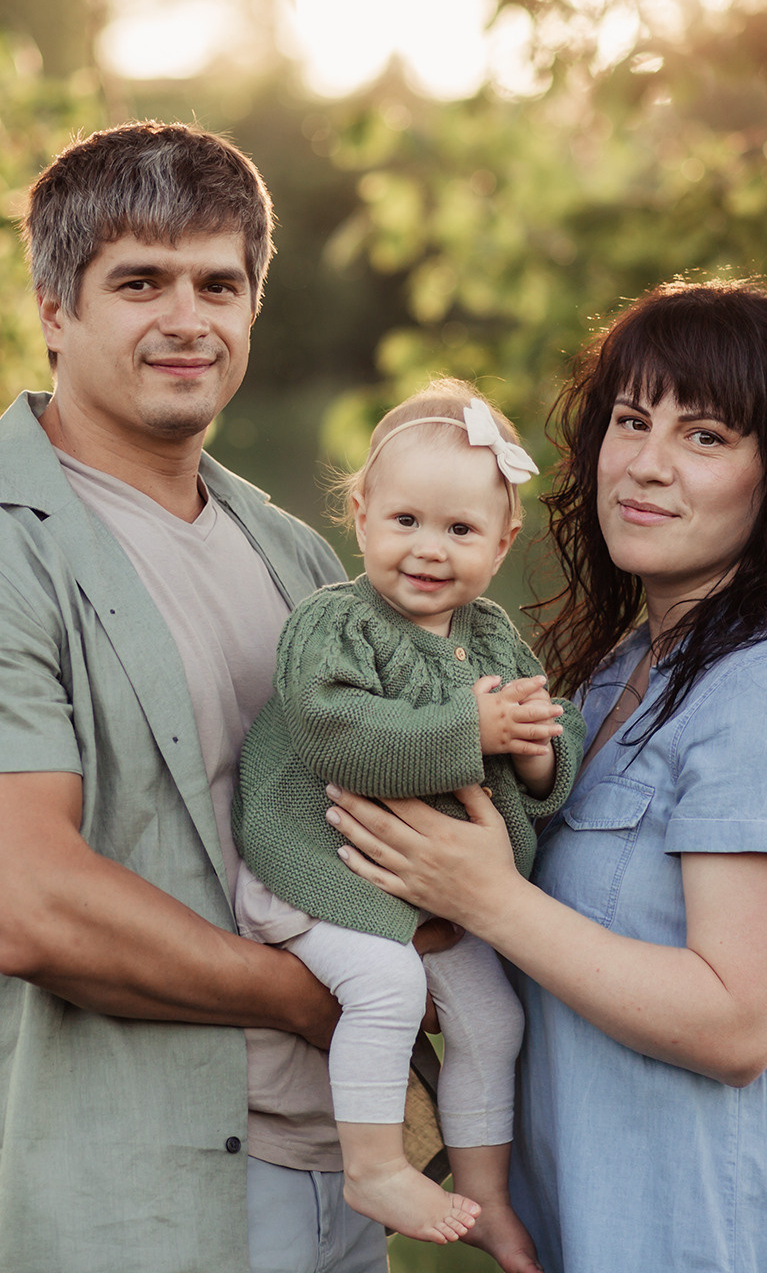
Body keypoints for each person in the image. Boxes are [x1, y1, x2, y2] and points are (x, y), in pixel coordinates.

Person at [0, 122, 438, 1273]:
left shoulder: (296, 558)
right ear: (56, 310)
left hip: (340, 1180)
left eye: (220, 283)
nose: (188, 318)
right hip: (123, 1197)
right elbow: (32, 905)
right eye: (140, 282)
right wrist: (314, 1001)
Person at [322, 281, 767, 1272]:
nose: (645, 464)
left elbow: (735, 1019)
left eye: (704, 435)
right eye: (631, 420)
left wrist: (487, 896)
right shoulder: (622, 672)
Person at [231, 379, 583, 1265]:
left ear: (503, 544)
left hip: (428, 890)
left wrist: (537, 749)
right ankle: (375, 1166)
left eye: (461, 531)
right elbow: (338, 733)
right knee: (385, 989)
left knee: (494, 1018)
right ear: (361, 513)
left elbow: (543, 731)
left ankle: (489, 1195)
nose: (429, 550)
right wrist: (476, 731)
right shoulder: (334, 624)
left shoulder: (494, 637)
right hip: (315, 865)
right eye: (407, 522)